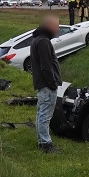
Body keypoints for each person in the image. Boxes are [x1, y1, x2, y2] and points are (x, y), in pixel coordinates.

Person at [30, 15, 62, 154]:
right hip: (46, 85)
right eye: (57, 26)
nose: (58, 28)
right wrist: (52, 83)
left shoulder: (37, 39)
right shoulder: (43, 42)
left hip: (42, 84)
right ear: (50, 26)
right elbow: (46, 66)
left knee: (40, 113)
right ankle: (45, 144)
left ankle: (41, 141)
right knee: (45, 115)